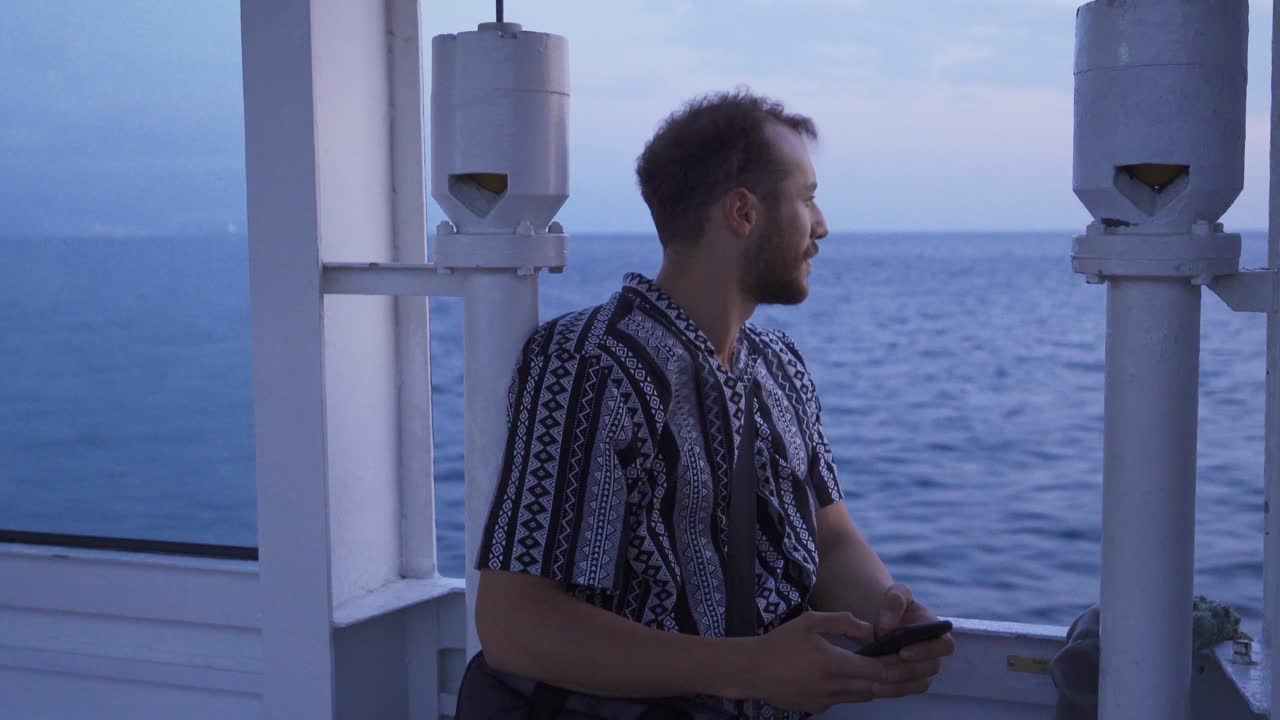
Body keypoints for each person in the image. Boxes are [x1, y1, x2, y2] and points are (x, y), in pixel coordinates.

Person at [471, 90, 955, 719]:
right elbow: (515, 624)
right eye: (807, 197)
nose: (823, 224)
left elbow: (832, 541)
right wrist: (752, 668)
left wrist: (890, 611)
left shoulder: (781, 367)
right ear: (744, 212)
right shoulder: (590, 363)